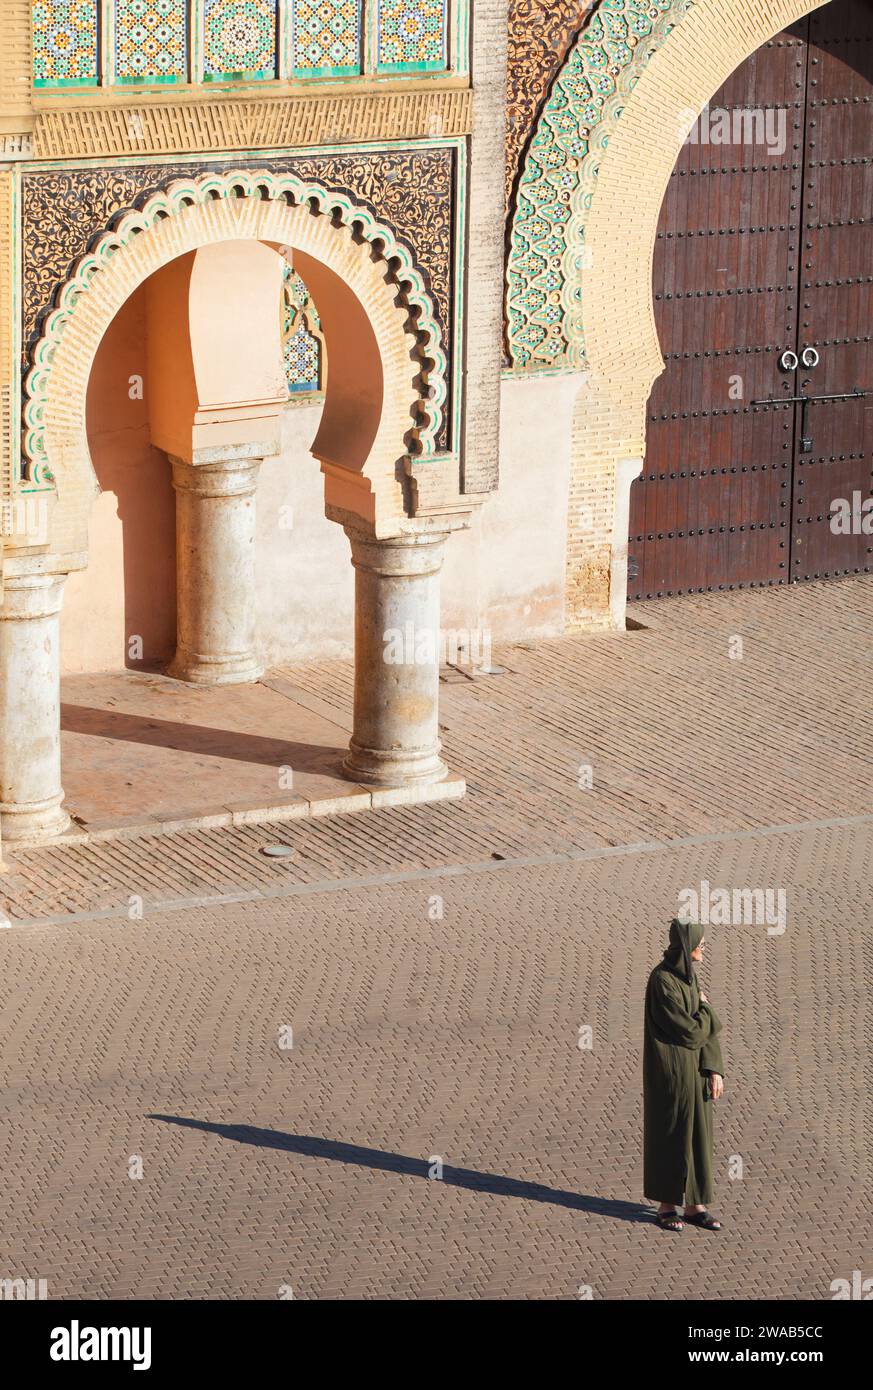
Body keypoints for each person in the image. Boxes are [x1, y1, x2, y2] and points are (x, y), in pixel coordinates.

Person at [643, 918, 725, 1232]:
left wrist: (714, 1068)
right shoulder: (662, 982)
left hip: (696, 1075)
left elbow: (705, 1037)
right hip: (671, 1077)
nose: (703, 947)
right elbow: (691, 1032)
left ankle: (695, 1205)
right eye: (700, 943)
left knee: (699, 1139)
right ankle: (667, 1206)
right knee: (670, 1137)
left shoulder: (690, 979)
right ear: (686, 947)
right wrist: (707, 1011)